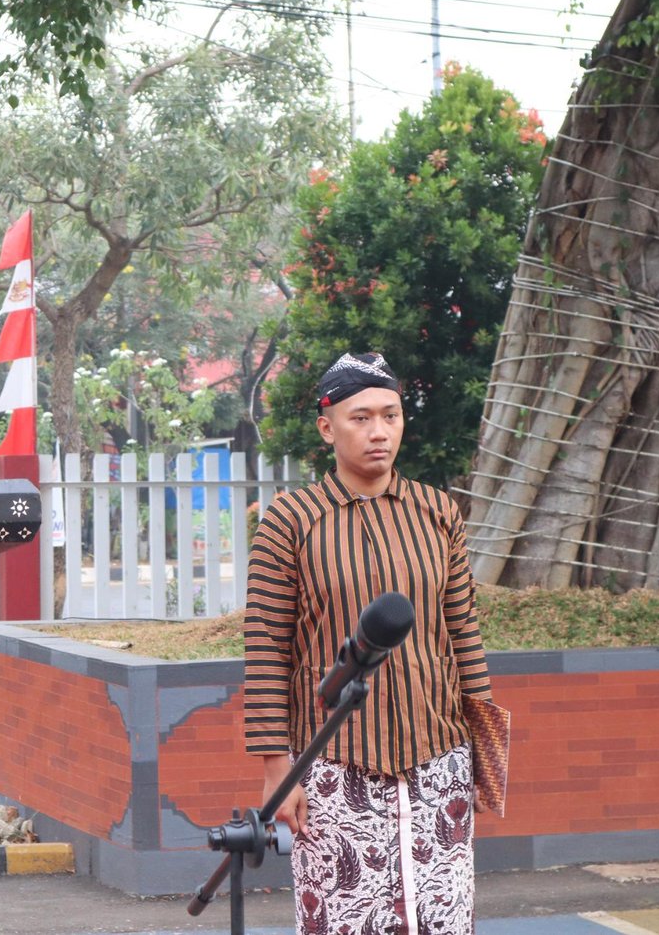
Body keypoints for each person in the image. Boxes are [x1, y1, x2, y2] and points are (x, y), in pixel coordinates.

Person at [243, 351, 493, 935]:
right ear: (327, 428)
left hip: (438, 756)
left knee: (442, 919)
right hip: (332, 762)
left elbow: (463, 634)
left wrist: (481, 753)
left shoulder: (439, 513)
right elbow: (266, 648)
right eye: (361, 418)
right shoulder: (290, 520)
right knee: (344, 920)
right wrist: (278, 771)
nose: (379, 431)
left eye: (390, 415)